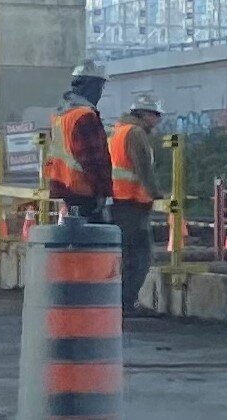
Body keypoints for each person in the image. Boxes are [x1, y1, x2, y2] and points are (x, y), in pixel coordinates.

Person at [108, 93, 165, 317]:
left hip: (117, 201)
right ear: (145, 115)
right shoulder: (136, 133)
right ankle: (127, 302)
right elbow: (143, 168)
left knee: (125, 255)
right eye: (155, 116)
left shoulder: (118, 130)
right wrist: (156, 193)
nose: (158, 121)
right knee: (140, 257)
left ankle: (120, 302)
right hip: (133, 202)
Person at [45, 61, 113, 220]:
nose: (100, 93)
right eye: (100, 87)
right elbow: (93, 159)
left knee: (73, 239)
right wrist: (102, 191)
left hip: (65, 188)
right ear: (92, 86)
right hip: (84, 190)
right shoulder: (85, 116)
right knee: (94, 240)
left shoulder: (60, 115)